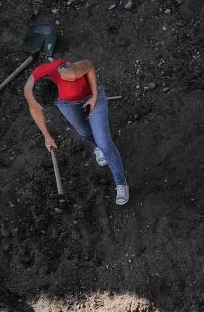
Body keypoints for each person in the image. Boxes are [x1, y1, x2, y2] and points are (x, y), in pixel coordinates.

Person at [23, 57, 129, 206]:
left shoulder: (68, 72)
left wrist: (94, 96)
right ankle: (98, 148)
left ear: (57, 88)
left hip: (89, 95)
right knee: (84, 132)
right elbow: (35, 110)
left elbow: (90, 65)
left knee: (104, 142)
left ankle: (121, 183)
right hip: (66, 103)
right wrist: (47, 136)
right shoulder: (30, 89)